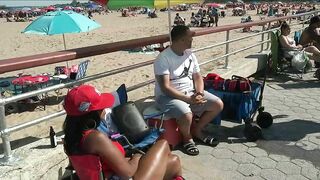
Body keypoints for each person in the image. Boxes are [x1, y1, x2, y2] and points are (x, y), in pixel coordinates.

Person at [63, 85, 183, 180]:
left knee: (174, 161)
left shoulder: (71, 136)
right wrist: (137, 156)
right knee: (162, 144)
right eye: (101, 108)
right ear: (90, 114)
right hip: (126, 176)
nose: (104, 110)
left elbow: (91, 166)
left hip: (111, 175)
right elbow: (128, 173)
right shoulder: (95, 138)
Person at [153, 25, 224, 156]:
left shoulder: (190, 54)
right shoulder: (163, 59)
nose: (192, 39)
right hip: (166, 97)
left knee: (217, 104)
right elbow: (165, 87)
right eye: (189, 37)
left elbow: (197, 76)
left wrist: (199, 93)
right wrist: (188, 99)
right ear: (181, 40)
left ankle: (197, 130)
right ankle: (187, 138)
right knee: (186, 113)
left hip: (190, 92)